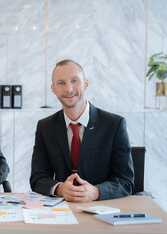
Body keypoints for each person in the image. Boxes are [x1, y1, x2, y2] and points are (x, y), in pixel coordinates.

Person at [30, 59, 134, 202]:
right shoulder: (45, 127)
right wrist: (60, 188)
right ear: (53, 89)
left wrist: (96, 192)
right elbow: (37, 178)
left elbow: (125, 181)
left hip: (103, 207)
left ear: (85, 83)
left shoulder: (114, 125)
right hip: (62, 209)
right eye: (61, 83)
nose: (69, 89)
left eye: (74, 81)